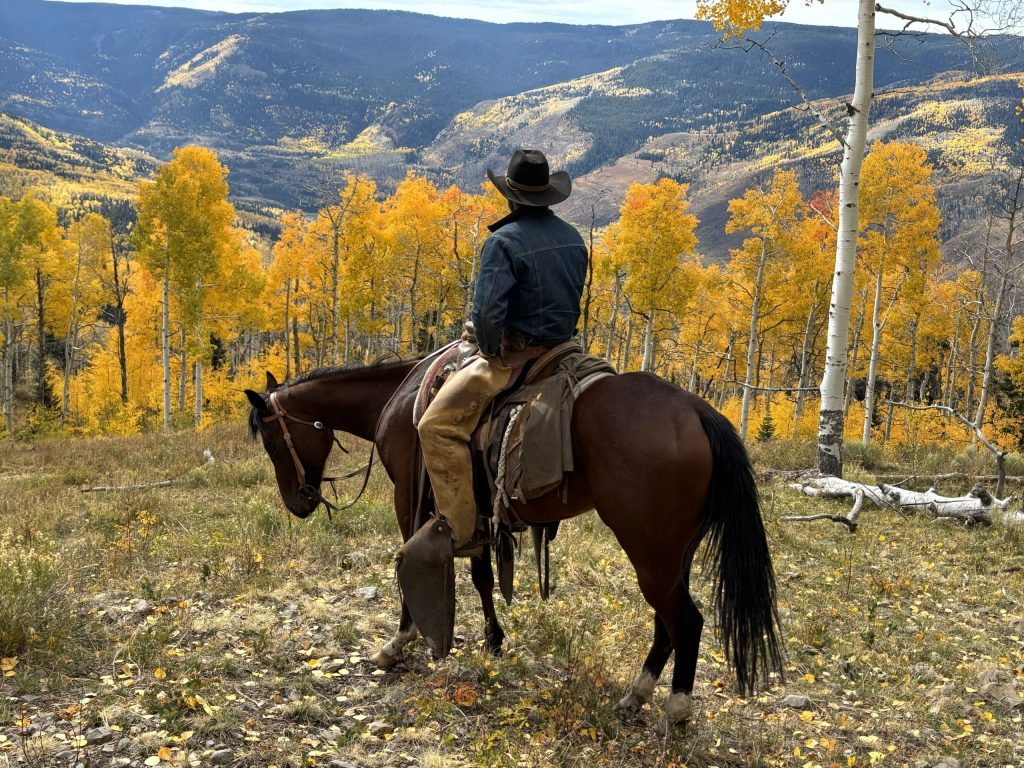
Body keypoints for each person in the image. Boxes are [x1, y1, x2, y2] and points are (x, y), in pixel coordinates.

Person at [415, 148, 589, 553]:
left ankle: (461, 532)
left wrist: (491, 349)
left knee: (435, 427)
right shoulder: (573, 238)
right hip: (565, 351)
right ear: (547, 195)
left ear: (512, 198)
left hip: (516, 357)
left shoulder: (503, 242)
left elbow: (488, 316)